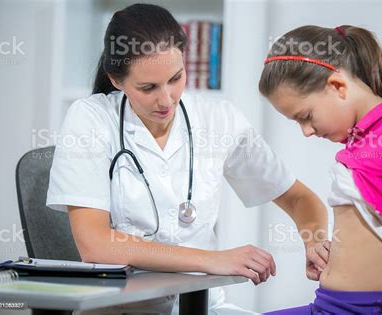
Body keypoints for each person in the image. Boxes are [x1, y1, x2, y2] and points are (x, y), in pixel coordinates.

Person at [46, 4, 331, 314]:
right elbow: (95, 244)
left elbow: (300, 198)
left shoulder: (218, 120)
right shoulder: (90, 119)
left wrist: (314, 240)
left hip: (202, 305)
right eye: (148, 87)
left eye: (176, 78)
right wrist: (214, 260)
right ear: (116, 80)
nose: (166, 99)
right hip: (122, 308)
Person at [259, 25, 382, 314]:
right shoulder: (361, 142)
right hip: (327, 305)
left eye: (305, 117)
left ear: (338, 86)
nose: (305, 131)